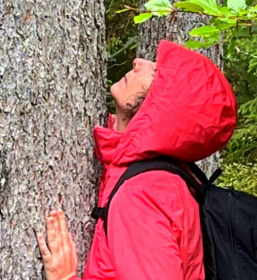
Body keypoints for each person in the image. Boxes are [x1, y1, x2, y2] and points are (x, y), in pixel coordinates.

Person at [37, 40, 237, 280]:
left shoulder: (142, 195)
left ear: (166, 103)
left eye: (155, 70)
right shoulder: (161, 174)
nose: (138, 62)